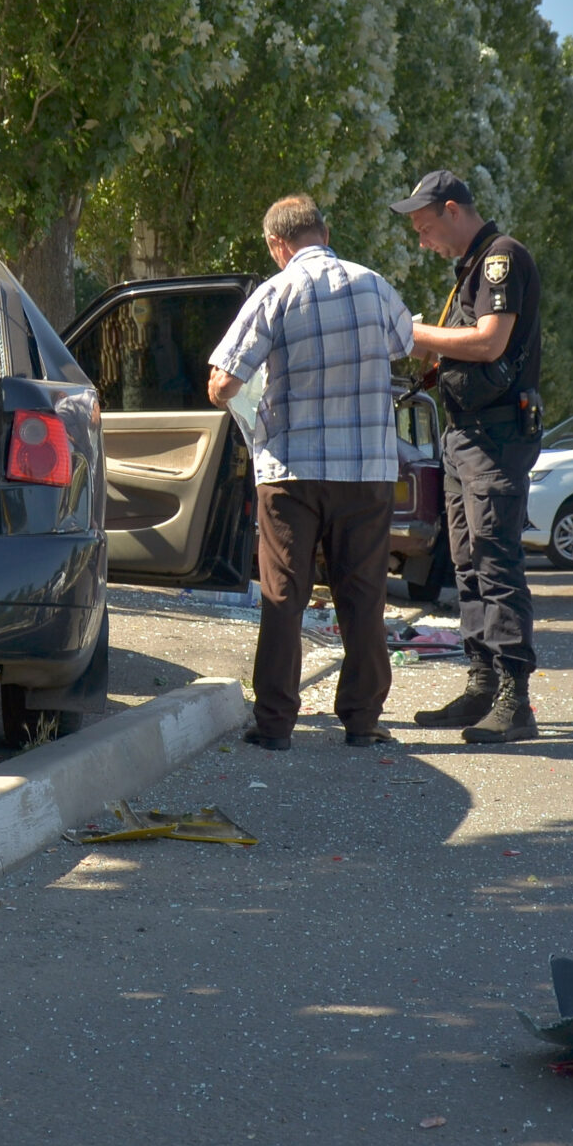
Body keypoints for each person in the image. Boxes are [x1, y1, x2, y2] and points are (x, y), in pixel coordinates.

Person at [205, 195, 413, 751]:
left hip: (291, 472)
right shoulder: (375, 285)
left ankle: (274, 725)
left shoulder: (275, 293)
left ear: (278, 245)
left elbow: (223, 383)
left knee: (284, 594)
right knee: (364, 596)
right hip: (367, 469)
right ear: (324, 230)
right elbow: (403, 344)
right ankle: (363, 722)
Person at [396, 170, 543, 743]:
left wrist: (419, 334)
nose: (422, 240)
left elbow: (488, 341)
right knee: (466, 562)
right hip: (465, 436)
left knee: (495, 559)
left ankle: (515, 699)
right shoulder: (471, 269)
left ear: (453, 210)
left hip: (496, 438)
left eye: (425, 227)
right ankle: (482, 684)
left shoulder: (501, 258)